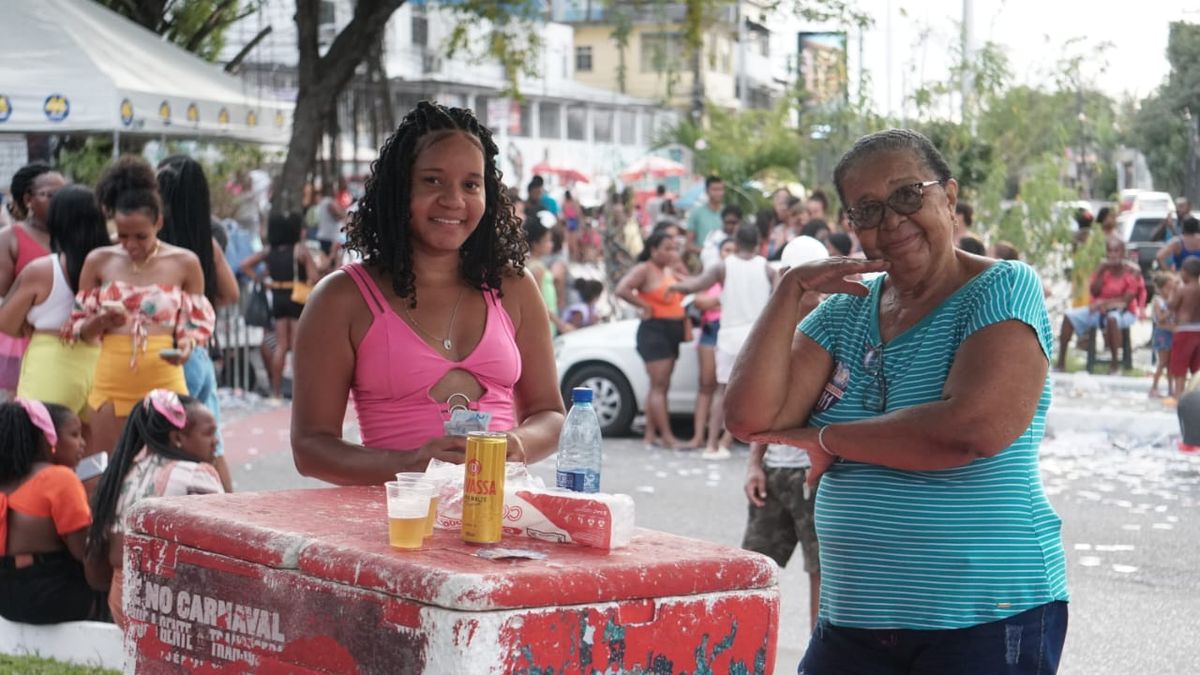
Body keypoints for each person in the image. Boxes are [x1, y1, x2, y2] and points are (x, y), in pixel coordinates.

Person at [725, 129, 1068, 673]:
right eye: (867, 210)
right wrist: (788, 289)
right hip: (854, 621)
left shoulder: (1003, 287)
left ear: (949, 198)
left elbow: (969, 430)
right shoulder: (843, 313)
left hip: (984, 617)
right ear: (851, 225)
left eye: (909, 195)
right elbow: (750, 417)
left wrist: (826, 438)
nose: (891, 220)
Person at [290, 101, 565, 485]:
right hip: (397, 527)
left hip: (498, 522)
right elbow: (311, 448)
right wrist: (412, 463)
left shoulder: (515, 287)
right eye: (433, 180)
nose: (454, 200)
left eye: (471, 184)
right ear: (400, 190)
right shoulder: (341, 299)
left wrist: (516, 444)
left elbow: (550, 414)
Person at [67, 155, 216, 459]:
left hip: (164, 375)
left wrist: (185, 349)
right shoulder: (99, 260)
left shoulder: (185, 263)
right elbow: (80, 331)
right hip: (111, 378)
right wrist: (103, 321)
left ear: (158, 222)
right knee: (107, 473)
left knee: (168, 469)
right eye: (122, 236)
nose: (131, 245)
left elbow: (191, 330)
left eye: (140, 236)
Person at [741, 231, 829, 631]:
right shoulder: (770, 331)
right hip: (776, 470)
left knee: (823, 574)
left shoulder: (834, 328)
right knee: (755, 570)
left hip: (815, 474)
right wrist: (754, 465)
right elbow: (757, 410)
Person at [84, 390, 222, 628]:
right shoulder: (195, 474)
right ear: (177, 438)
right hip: (166, 602)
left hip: (120, 600)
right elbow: (226, 541)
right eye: (209, 433)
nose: (216, 441)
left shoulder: (121, 472)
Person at [157, 155, 240, 492]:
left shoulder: (153, 247)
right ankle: (229, 512)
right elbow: (230, 293)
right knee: (210, 441)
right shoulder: (204, 243)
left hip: (162, 352)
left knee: (164, 438)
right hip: (198, 354)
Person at [0, 187, 109, 417]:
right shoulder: (113, 267)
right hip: (104, 363)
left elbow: (6, 322)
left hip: (51, 362)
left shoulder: (43, 270)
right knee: (97, 451)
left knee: (42, 444)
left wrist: (28, 328)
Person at [673, 225, 776, 460]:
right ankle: (730, 443)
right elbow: (777, 298)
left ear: (737, 242)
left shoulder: (724, 266)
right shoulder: (767, 268)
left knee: (722, 392)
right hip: (756, 338)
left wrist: (675, 286)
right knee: (755, 394)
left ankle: (711, 444)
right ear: (759, 242)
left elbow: (696, 285)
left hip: (729, 336)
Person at [0, 399, 106, 624]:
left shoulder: (5, 482)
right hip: (52, 595)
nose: (83, 444)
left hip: (6, 598)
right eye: (75, 435)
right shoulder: (58, 478)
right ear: (48, 438)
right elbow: (83, 553)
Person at [0, 164, 67, 400]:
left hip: (66, 338)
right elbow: (5, 293)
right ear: (28, 199)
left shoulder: (72, 235)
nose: (60, 201)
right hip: (21, 334)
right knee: (23, 406)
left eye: (64, 194)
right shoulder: (10, 238)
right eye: (52, 195)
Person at [616, 231, 688, 450]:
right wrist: (644, 306)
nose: (671, 252)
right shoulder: (644, 269)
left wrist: (678, 262)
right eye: (666, 248)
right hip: (655, 330)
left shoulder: (670, 269)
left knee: (660, 386)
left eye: (674, 248)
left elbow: (692, 283)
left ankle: (650, 434)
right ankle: (666, 436)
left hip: (672, 330)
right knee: (659, 385)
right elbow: (622, 289)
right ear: (653, 250)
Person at [239, 213, 321, 399]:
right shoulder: (299, 250)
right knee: (297, 346)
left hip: (277, 298)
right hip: (296, 299)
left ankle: (275, 392)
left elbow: (244, 265)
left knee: (281, 345)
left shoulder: (269, 251)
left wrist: (261, 279)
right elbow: (314, 277)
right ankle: (300, 393)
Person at [1056, 237, 1146, 373]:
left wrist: (1103, 304)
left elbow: (1126, 300)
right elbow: (1094, 291)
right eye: (1110, 251)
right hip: (1099, 311)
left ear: (1123, 253)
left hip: (1123, 312)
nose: (1113, 255)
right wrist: (1100, 272)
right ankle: (1061, 363)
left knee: (1112, 318)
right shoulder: (1103, 269)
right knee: (1069, 316)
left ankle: (1114, 365)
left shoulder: (1131, 272)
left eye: (1117, 251)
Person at [525, 218, 575, 336]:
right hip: (545, 323)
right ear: (536, 244)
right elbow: (538, 304)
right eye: (547, 241)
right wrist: (560, 324)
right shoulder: (537, 269)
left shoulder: (534, 264)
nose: (551, 245)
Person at [1168, 257, 1200, 398]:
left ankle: (1178, 395)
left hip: (1184, 330)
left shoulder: (1183, 290)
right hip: (1198, 330)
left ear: (1185, 272)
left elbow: (1172, 306)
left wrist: (1172, 292)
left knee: (1179, 368)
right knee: (1197, 368)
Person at [1150, 272, 1178, 398]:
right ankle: (1154, 387)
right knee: (1162, 362)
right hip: (1163, 334)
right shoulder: (1158, 301)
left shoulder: (1171, 301)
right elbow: (1160, 318)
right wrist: (1170, 309)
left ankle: (1171, 389)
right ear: (1162, 289)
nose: (1172, 292)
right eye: (1169, 288)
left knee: (1171, 364)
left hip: (1172, 334)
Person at [686, 176, 724, 256]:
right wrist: (708, 252)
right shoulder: (696, 213)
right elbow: (689, 245)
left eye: (720, 189)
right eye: (714, 189)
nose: (718, 193)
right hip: (703, 262)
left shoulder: (727, 213)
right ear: (707, 191)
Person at [314, 182, 347, 261]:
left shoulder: (322, 201)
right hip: (330, 237)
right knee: (331, 263)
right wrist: (343, 213)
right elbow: (339, 215)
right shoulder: (329, 202)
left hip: (325, 235)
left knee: (326, 261)